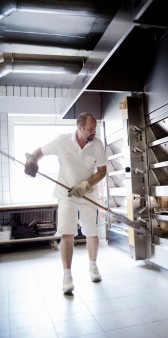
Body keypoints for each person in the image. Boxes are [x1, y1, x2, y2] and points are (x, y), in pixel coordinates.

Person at [24, 112, 107, 294]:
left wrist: (86, 185)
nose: (94, 131)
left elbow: (102, 171)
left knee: (92, 232)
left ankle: (93, 267)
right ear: (80, 127)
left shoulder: (97, 145)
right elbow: (40, 152)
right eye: (91, 128)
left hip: (87, 194)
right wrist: (32, 160)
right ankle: (67, 276)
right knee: (67, 234)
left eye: (95, 127)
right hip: (66, 195)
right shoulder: (62, 141)